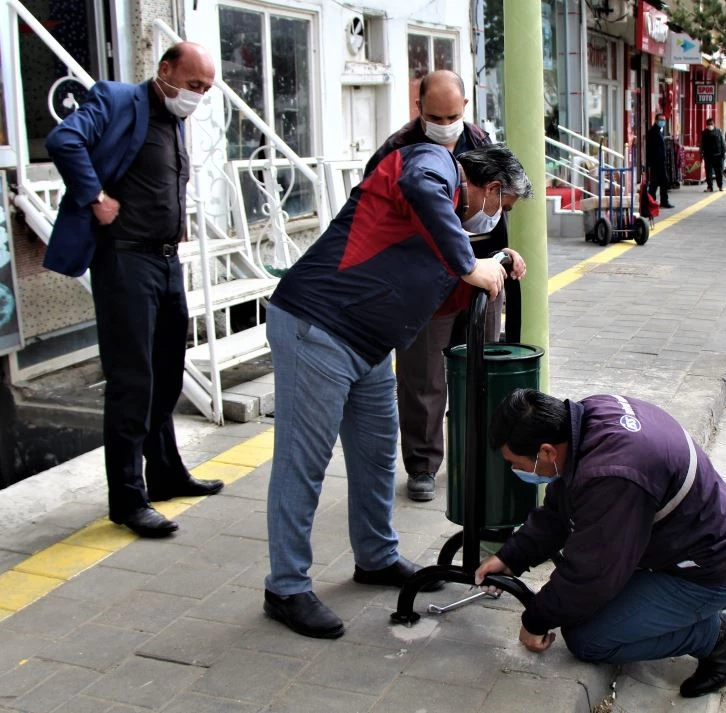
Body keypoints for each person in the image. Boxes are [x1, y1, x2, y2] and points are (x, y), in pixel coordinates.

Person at [263, 144, 532, 640]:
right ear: (490, 188)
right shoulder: (432, 163)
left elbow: (437, 287)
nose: (497, 217)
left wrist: (487, 264)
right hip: (316, 326)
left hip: (365, 343)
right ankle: (285, 586)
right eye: (504, 206)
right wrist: (470, 263)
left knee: (378, 453)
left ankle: (376, 556)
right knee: (302, 463)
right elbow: (418, 187)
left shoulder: (444, 223)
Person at [475, 389, 726, 699]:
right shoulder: (588, 417)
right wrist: (512, 555)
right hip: (701, 541)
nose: (518, 472)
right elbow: (561, 509)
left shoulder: (612, 475)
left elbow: (591, 575)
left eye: (518, 464)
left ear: (547, 452)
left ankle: (718, 634)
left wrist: (534, 621)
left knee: (586, 637)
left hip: (706, 570)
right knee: (580, 599)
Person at [44, 43, 224, 538]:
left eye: (205, 90)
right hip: (125, 260)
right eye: (193, 86)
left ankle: (165, 473)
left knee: (166, 374)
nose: (197, 97)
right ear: (165, 70)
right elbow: (64, 139)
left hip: (166, 262)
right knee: (132, 382)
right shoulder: (118, 99)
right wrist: (94, 196)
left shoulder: (174, 119)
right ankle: (127, 500)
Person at [363, 70, 519, 502]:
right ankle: (423, 466)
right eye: (436, 115)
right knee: (422, 381)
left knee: (479, 372)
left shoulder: (480, 141)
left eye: (453, 114)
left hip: (479, 279)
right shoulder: (397, 150)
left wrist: (506, 254)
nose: (445, 123)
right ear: (419, 109)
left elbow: (502, 199)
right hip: (423, 286)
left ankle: (476, 456)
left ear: (465, 108)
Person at [645, 113, 674, 208]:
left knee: (658, 182)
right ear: (656, 120)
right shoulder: (653, 131)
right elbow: (652, 148)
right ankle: (653, 201)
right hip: (656, 162)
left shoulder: (658, 131)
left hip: (659, 161)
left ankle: (655, 201)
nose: (663, 122)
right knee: (657, 183)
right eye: (661, 120)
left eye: (664, 120)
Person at [700, 118, 726, 192]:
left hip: (718, 155)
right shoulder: (704, 133)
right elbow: (701, 144)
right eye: (708, 124)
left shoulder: (718, 131)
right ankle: (710, 187)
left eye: (711, 124)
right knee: (708, 172)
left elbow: (722, 143)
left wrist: (724, 153)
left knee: (719, 172)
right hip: (708, 156)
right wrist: (700, 154)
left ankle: (720, 186)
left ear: (714, 124)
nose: (710, 126)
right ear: (706, 125)